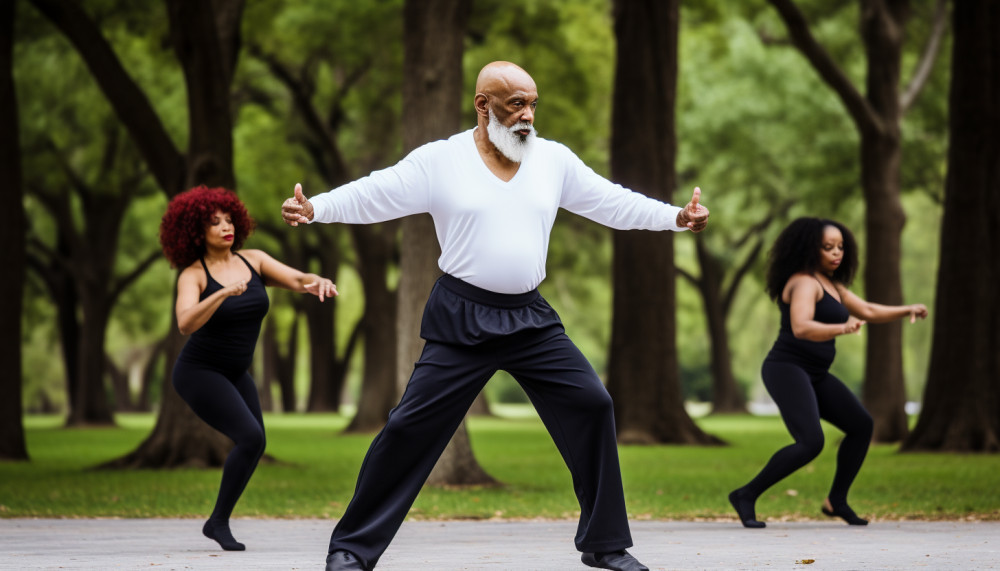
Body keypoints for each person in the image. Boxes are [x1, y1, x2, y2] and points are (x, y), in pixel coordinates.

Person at [281, 61, 709, 571]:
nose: (527, 115)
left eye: (532, 104)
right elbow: (379, 192)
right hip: (462, 316)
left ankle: (605, 544)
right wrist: (317, 209)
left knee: (593, 404)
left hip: (529, 318)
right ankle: (351, 549)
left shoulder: (552, 160)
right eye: (515, 105)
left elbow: (610, 202)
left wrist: (674, 219)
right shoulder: (442, 161)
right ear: (483, 106)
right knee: (407, 429)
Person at [160, 185, 338, 551]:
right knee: (251, 437)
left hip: (236, 372)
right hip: (199, 372)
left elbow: (295, 279)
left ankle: (217, 521)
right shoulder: (192, 275)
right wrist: (222, 293)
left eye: (228, 219)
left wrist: (315, 281)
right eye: (214, 222)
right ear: (197, 231)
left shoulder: (252, 260)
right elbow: (185, 323)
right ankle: (219, 522)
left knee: (256, 442)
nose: (225, 226)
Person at [728, 217, 928, 529]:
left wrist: (907, 310)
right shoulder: (804, 282)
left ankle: (836, 500)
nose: (837, 253)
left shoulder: (831, 285)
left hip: (815, 373)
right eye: (828, 247)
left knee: (861, 425)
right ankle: (746, 494)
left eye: (840, 247)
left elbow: (869, 311)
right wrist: (843, 327)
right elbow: (801, 326)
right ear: (810, 248)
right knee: (810, 442)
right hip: (787, 369)